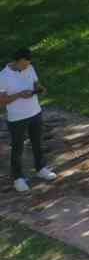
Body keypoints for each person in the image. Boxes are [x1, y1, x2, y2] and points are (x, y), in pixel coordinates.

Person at [2, 48, 55, 193]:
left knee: (38, 143)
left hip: (35, 113)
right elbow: (1, 101)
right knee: (18, 148)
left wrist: (39, 89)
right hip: (17, 118)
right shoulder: (3, 76)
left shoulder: (30, 68)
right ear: (17, 61)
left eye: (28, 64)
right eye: (24, 64)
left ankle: (41, 169)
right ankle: (18, 178)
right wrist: (19, 95)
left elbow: (36, 83)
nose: (26, 67)